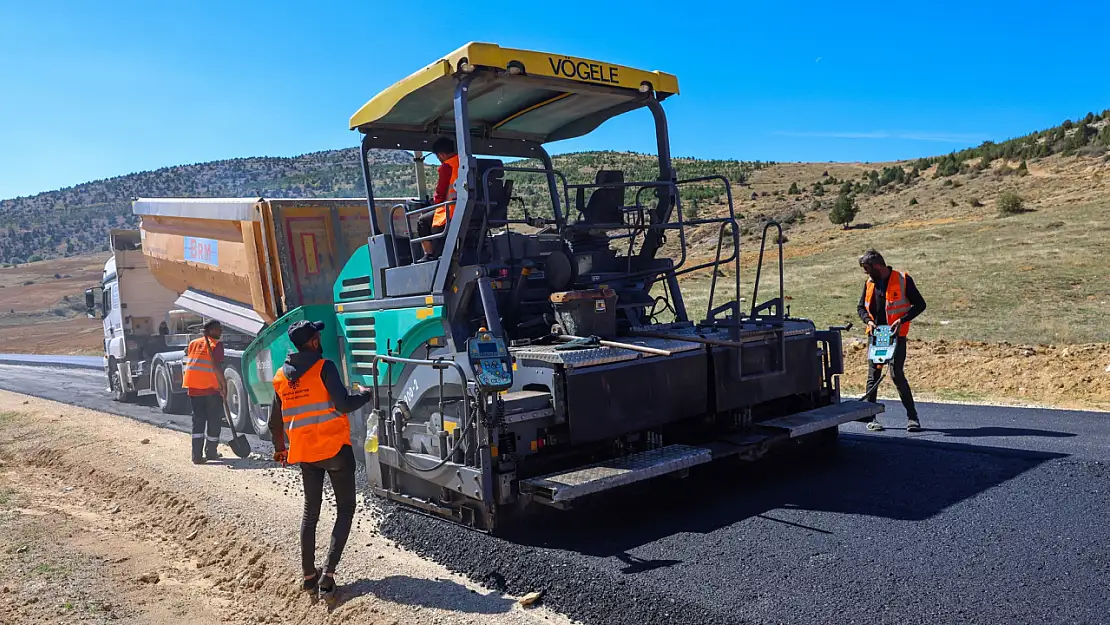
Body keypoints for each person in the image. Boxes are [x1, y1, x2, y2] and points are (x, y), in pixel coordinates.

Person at [268, 320, 372, 603]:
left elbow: (274, 423)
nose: (319, 339)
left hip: (306, 455)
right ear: (313, 342)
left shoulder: (280, 377)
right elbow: (343, 404)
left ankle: (308, 576)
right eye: (317, 335)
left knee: (310, 513)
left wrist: (280, 450)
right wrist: (365, 395)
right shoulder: (324, 367)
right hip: (334, 449)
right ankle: (328, 575)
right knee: (346, 509)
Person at [857, 249, 927, 432]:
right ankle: (871, 418)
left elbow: (920, 304)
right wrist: (869, 321)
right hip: (876, 335)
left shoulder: (903, 279)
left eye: (867, 268)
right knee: (874, 375)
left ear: (877, 265)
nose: (865, 272)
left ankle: (913, 418)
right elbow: (861, 308)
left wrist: (902, 320)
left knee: (897, 374)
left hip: (896, 335)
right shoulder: (869, 283)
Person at [182, 319, 226, 464]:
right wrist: (224, 386)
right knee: (214, 421)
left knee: (198, 421)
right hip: (210, 389)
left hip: (193, 388)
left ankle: (196, 456)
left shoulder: (193, 343)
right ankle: (211, 453)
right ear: (212, 330)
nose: (221, 332)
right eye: (219, 329)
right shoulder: (216, 345)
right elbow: (216, 367)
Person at [415, 137, 459, 262]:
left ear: (442, 154)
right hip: (474, 209)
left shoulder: (447, 166)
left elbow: (440, 194)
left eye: (438, 157)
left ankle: (429, 255)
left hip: (452, 210)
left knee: (422, 221)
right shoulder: (466, 161)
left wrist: (433, 203)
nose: (439, 160)